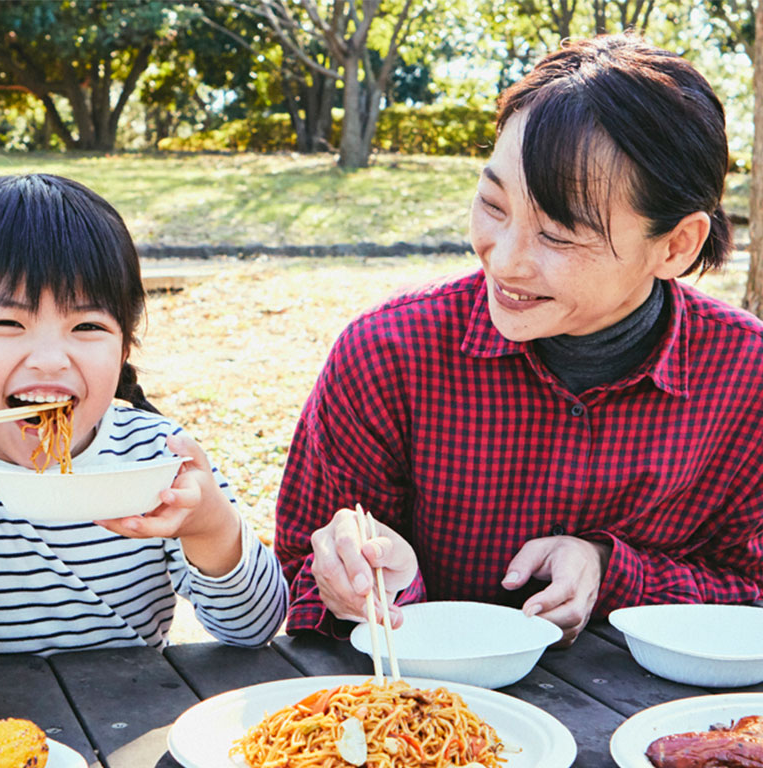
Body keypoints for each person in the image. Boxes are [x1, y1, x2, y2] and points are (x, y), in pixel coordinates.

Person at [275, 34, 763, 647]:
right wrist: (366, 581)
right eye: (493, 204)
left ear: (676, 246)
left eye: (558, 235)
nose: (504, 262)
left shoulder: (746, 377)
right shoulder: (389, 354)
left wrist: (610, 570)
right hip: (420, 725)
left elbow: (752, 596)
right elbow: (297, 581)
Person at [0, 173, 287, 655]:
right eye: (8, 323)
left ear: (124, 346)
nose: (50, 358)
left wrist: (209, 525)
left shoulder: (156, 457)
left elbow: (255, 629)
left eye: (86, 325)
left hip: (133, 718)